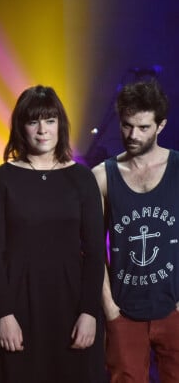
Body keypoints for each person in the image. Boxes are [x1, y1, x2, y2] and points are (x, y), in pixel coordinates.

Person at [0, 85, 105, 382]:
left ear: (60, 124)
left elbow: (95, 252)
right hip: (17, 305)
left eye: (50, 120)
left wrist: (90, 311)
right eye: (33, 121)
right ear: (21, 127)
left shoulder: (82, 178)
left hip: (72, 305)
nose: (42, 130)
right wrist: (4, 314)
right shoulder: (2, 179)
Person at [92, 80, 179, 382]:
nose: (132, 135)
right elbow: (90, 247)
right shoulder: (102, 176)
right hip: (124, 311)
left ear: (161, 125)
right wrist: (110, 309)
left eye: (143, 127)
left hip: (174, 308)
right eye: (127, 125)